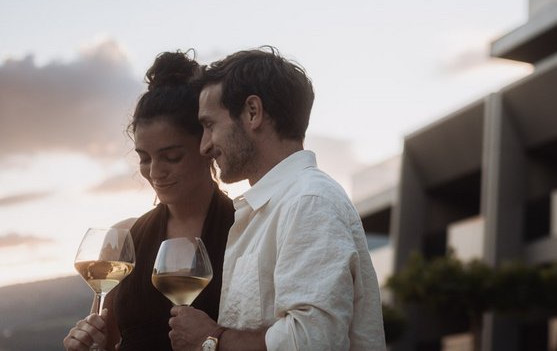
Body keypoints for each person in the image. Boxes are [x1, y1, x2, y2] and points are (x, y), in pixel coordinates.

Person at [168, 47, 383, 351]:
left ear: (253, 112)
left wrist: (211, 339)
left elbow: (311, 341)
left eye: (209, 125)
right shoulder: (270, 209)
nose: (204, 146)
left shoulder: (308, 202)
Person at [64, 51, 236, 351]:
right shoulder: (125, 239)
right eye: (144, 158)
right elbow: (107, 342)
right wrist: (87, 344)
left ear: (206, 145)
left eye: (171, 157)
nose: (155, 172)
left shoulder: (245, 228)